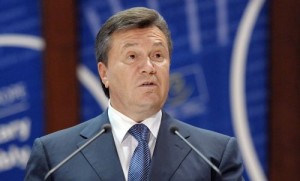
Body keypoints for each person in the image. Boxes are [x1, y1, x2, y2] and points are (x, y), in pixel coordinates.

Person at [25, 7, 244, 181]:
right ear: (104, 73)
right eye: (132, 56)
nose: (149, 67)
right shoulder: (56, 156)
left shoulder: (213, 154)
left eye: (158, 55)